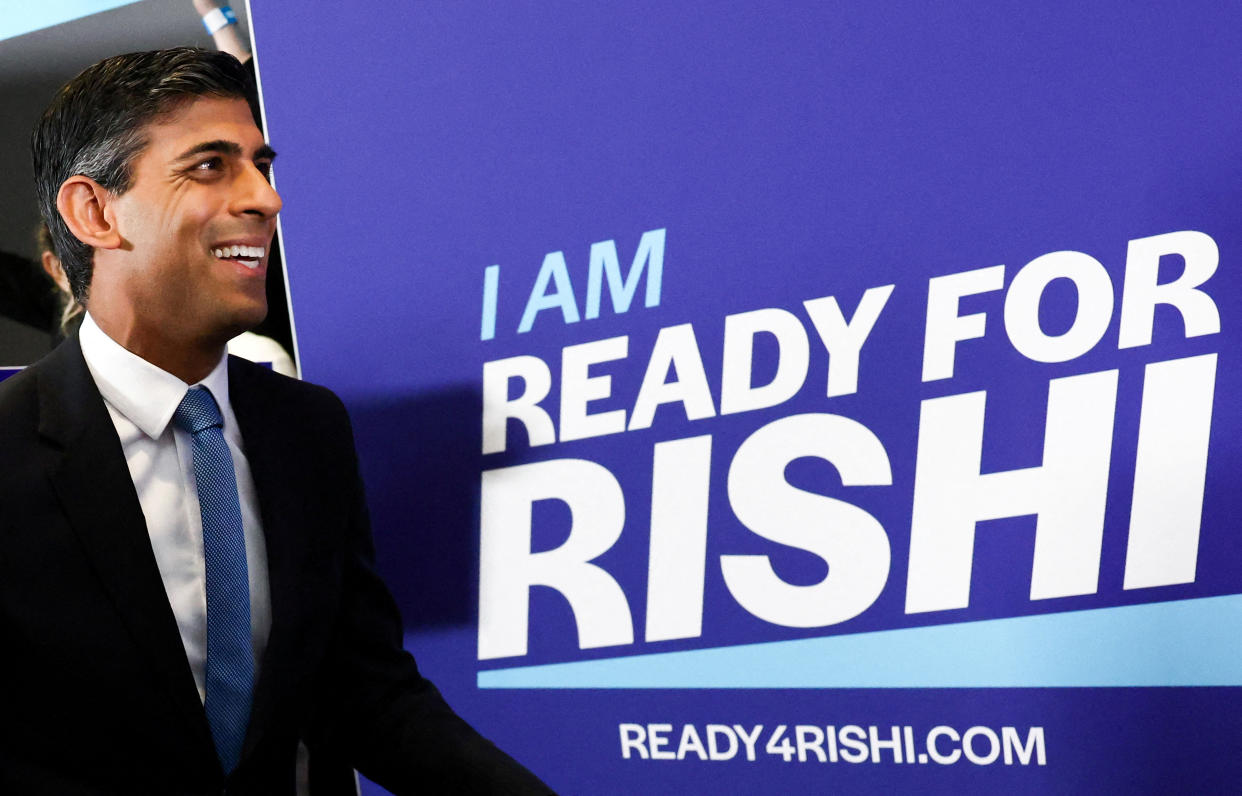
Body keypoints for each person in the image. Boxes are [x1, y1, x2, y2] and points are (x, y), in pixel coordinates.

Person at [1, 47, 553, 795]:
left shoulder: (309, 430)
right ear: (95, 212)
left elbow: (369, 696)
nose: (266, 198)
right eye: (210, 166)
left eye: (261, 164)